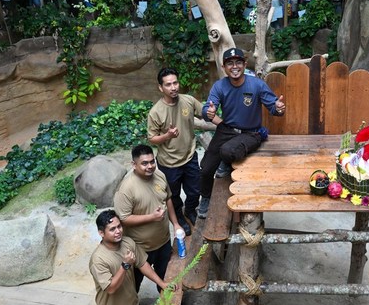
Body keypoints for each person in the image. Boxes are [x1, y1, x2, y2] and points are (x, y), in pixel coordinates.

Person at [198, 48, 286, 218]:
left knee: (227, 151)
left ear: (245, 65)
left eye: (238, 62)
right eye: (230, 63)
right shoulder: (219, 86)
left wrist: (278, 108)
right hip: (227, 130)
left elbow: (274, 108)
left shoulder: (257, 85)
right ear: (224, 67)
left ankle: (227, 158)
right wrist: (208, 113)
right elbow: (207, 109)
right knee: (206, 168)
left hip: (251, 132)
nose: (234, 66)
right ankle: (206, 198)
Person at [148, 68, 221, 235]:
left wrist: (213, 114)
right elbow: (152, 139)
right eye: (168, 84)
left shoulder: (188, 100)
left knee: (195, 190)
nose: (173, 87)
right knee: (173, 195)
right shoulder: (156, 112)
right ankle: (179, 218)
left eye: (175, 83)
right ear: (161, 88)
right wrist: (167, 135)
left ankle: (190, 211)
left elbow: (204, 113)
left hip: (189, 157)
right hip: (169, 163)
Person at [89, 209, 168, 305]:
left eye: (119, 226)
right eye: (112, 229)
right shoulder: (98, 260)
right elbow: (111, 288)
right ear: (101, 233)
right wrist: (125, 265)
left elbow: (143, 264)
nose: (118, 231)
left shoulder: (128, 243)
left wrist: (162, 284)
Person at [114, 144, 180, 292]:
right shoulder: (126, 189)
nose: (150, 166)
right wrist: (152, 217)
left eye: (152, 161)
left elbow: (168, 198)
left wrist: (175, 224)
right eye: (144, 163)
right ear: (134, 164)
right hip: (140, 247)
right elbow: (123, 219)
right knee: (133, 284)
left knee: (165, 281)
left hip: (163, 242)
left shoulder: (160, 175)